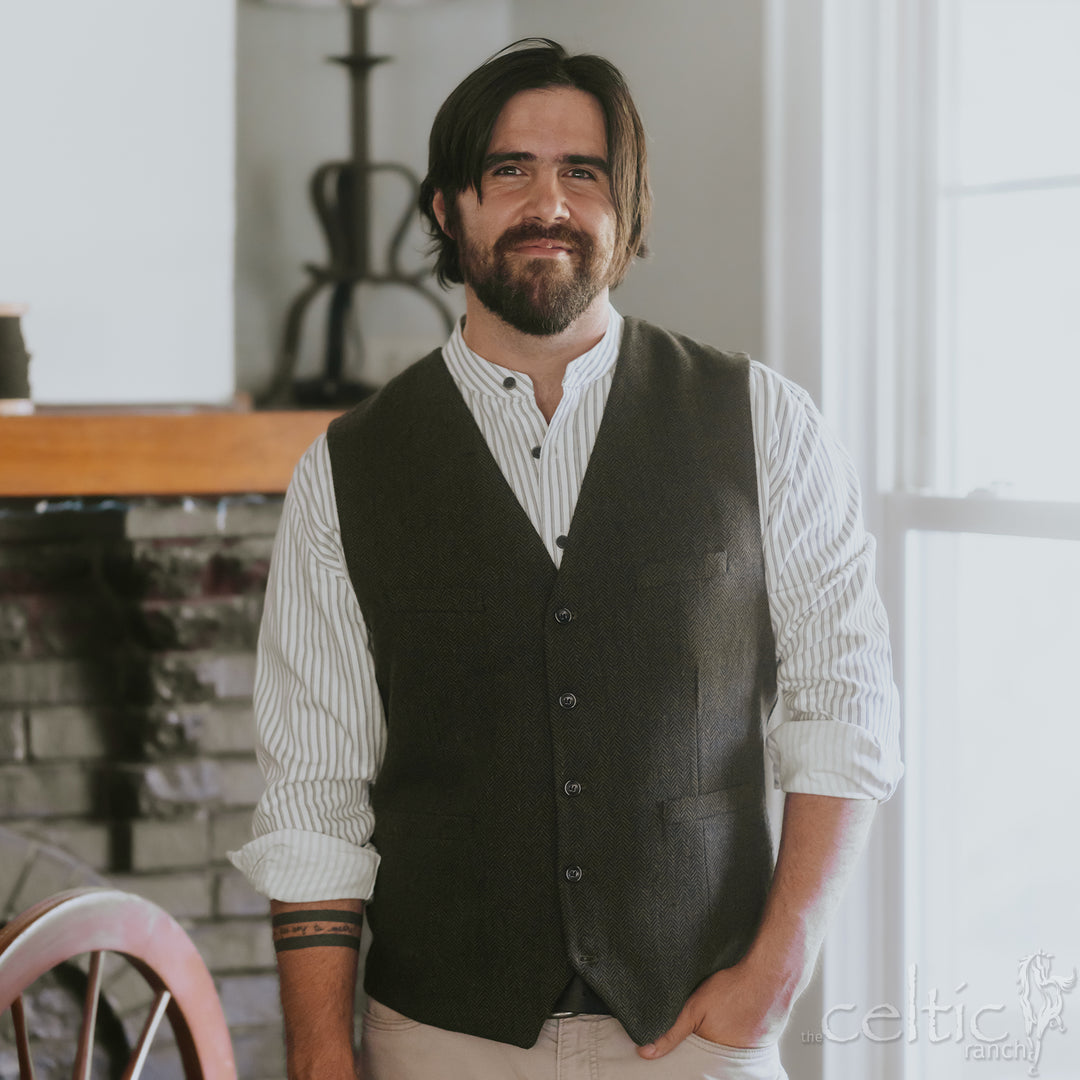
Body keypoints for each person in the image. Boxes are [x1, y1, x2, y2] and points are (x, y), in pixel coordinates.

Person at [230, 38, 902, 1080]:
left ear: (624, 210)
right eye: (510, 171)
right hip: (438, 1041)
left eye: (582, 172)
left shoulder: (764, 421)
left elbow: (846, 704)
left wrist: (784, 960)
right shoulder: (347, 469)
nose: (549, 203)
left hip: (696, 1033)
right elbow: (315, 793)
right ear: (449, 208)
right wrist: (321, 1054)